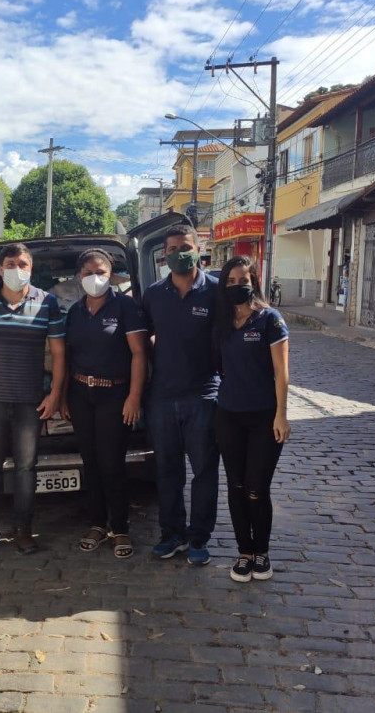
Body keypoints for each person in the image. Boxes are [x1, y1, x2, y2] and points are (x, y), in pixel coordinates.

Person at [0, 243, 66, 556]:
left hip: (30, 404)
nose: (17, 269)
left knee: (26, 468)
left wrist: (55, 393)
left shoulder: (48, 303)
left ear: (32, 269)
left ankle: (23, 530)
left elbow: (59, 353)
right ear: (0, 269)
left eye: (23, 264)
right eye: (10, 263)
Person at [142, 225, 220, 566]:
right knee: (167, 470)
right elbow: (141, 343)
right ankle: (171, 534)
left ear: (199, 247)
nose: (178, 253)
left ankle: (198, 537)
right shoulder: (154, 294)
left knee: (204, 470)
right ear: (164, 254)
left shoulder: (217, 292)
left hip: (204, 396)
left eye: (185, 246)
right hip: (162, 396)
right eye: (172, 248)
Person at [62, 248, 147, 559]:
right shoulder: (74, 312)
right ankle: (97, 523)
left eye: (100, 272)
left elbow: (139, 353)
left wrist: (134, 397)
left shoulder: (126, 307)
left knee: (112, 463)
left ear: (111, 275)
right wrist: (63, 397)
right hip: (81, 395)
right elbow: (66, 357)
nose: (94, 278)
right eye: (88, 273)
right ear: (78, 277)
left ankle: (120, 527)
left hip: (116, 396)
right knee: (91, 462)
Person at [213, 255, 290, 582]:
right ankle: (244, 552)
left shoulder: (269, 320)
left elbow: (281, 372)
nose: (237, 286)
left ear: (254, 282)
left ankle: (263, 552)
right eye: (230, 281)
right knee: (236, 485)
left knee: (257, 489)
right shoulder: (220, 321)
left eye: (243, 280)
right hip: (228, 415)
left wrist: (281, 416)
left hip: (264, 419)